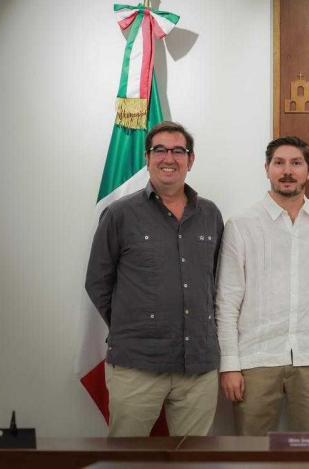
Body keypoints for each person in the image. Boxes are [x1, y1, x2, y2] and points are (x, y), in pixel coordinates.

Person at [85, 121, 223, 437]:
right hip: (137, 363)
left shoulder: (210, 215)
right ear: (147, 158)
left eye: (178, 151)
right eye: (159, 150)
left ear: (191, 159)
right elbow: (97, 282)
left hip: (198, 367)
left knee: (192, 458)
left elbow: (215, 282)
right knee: (127, 457)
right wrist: (134, 325)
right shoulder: (120, 214)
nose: (168, 158)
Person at [216, 136, 309, 435]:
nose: (287, 171)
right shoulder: (241, 224)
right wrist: (230, 364)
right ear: (267, 168)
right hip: (255, 359)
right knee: (251, 451)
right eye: (279, 163)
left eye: (296, 163)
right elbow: (227, 301)